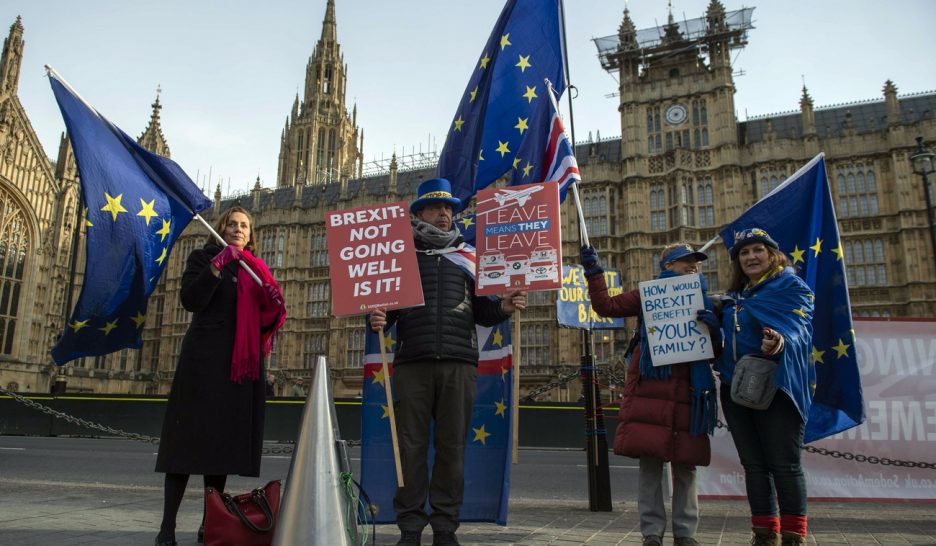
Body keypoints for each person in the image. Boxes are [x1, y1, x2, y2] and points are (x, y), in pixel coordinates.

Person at [369, 178, 526, 546]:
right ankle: (410, 527)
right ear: (419, 212)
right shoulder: (400, 257)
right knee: (409, 448)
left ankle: (444, 527)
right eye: (437, 208)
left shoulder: (467, 256)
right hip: (413, 362)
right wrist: (375, 318)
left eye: (449, 209)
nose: (444, 214)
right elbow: (383, 313)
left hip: (459, 362)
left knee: (452, 448)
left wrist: (503, 307)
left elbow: (484, 311)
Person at [154, 206, 286, 546]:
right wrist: (218, 264)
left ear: (251, 234)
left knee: (220, 450)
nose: (238, 229)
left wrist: (274, 305)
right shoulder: (203, 258)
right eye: (232, 224)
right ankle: (167, 527)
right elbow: (191, 299)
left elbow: (264, 324)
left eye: (244, 226)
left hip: (238, 367)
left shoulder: (256, 270)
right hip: (203, 362)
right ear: (221, 228)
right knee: (184, 446)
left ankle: (209, 524)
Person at [581, 243, 720, 546]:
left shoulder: (705, 301)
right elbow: (606, 306)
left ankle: (685, 534)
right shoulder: (649, 294)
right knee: (650, 465)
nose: (693, 266)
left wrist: (716, 331)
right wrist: (594, 273)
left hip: (689, 392)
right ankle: (652, 533)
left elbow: (717, 351)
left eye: (695, 262)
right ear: (667, 265)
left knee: (686, 465)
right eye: (686, 261)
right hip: (651, 390)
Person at [716, 228, 814, 546]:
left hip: (777, 386)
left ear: (772, 254)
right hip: (736, 387)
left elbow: (800, 326)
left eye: (758, 250)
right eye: (744, 252)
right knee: (754, 465)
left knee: (784, 464)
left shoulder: (789, 286)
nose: (751, 256)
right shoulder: (737, 297)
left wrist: (781, 341)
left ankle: (793, 535)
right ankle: (764, 532)